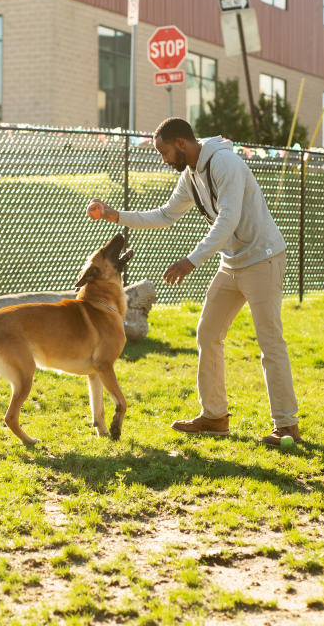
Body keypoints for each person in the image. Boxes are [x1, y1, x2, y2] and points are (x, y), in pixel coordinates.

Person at [88, 117, 300, 446]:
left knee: (269, 342)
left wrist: (191, 260)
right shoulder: (190, 176)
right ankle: (215, 417)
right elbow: (165, 214)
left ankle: (287, 426)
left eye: (164, 152)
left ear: (181, 143)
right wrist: (116, 215)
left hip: (263, 258)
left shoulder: (225, 163)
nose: (163, 159)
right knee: (208, 333)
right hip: (232, 262)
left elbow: (228, 219)